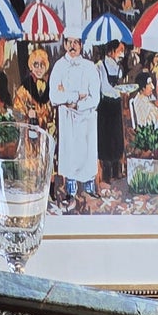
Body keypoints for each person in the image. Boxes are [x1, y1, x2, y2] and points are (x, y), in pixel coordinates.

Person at [48, 32, 101, 208]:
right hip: (67, 119)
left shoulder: (90, 67)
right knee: (70, 154)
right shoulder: (59, 67)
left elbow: (95, 98)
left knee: (86, 154)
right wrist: (77, 95)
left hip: (86, 119)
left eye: (76, 42)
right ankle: (70, 192)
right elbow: (54, 96)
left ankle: (89, 189)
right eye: (69, 42)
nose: (72, 46)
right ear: (64, 44)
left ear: (81, 45)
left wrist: (77, 104)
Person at [96, 39, 129, 186]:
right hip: (104, 106)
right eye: (120, 50)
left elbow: (121, 85)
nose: (122, 54)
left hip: (116, 105)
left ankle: (117, 173)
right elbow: (100, 87)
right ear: (111, 51)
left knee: (117, 138)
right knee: (105, 141)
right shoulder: (99, 66)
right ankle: (106, 176)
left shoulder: (119, 68)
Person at [14, 46, 53, 127]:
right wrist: (27, 114)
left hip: (48, 130)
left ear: (46, 66)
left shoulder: (52, 84)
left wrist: (40, 114)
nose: (39, 69)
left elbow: (54, 111)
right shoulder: (24, 88)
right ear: (31, 67)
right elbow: (17, 111)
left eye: (42, 65)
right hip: (30, 130)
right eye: (36, 65)